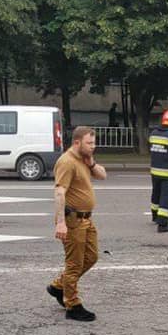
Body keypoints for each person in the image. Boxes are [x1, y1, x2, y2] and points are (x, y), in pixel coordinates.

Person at [47, 126, 107, 321]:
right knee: (74, 265)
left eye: (94, 142)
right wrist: (61, 223)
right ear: (77, 142)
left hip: (87, 219)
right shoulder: (66, 162)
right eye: (89, 143)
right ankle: (72, 305)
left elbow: (102, 175)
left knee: (91, 257)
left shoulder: (84, 159)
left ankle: (58, 286)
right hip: (73, 221)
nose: (93, 146)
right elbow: (59, 192)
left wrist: (91, 163)